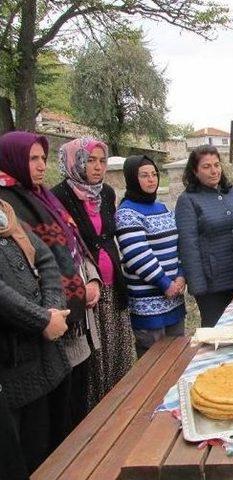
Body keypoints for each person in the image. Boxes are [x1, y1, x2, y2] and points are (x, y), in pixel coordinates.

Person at [0, 131, 101, 446]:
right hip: (37, 333)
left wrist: (91, 278)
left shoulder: (40, 195)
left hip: (67, 314)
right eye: (33, 158)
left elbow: (58, 251)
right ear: (13, 160)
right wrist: (47, 315)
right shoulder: (12, 200)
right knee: (49, 427)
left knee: (71, 408)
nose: (41, 165)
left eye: (42, 158)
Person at [52, 138, 135, 404]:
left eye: (102, 160)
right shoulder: (59, 196)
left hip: (114, 284)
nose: (98, 167)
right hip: (87, 288)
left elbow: (108, 236)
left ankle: (121, 402)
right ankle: (99, 411)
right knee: (96, 356)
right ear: (74, 162)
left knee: (118, 349)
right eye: (90, 160)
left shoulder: (106, 193)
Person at [0, 200, 70, 477]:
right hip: (10, 366)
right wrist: (41, 320)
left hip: (41, 364)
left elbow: (47, 260)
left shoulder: (7, 215)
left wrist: (51, 310)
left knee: (46, 450)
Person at [115, 155, 186, 357]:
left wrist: (181, 276)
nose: (151, 180)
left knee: (177, 358)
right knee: (152, 363)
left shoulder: (162, 208)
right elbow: (138, 255)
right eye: (144, 175)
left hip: (175, 300)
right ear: (132, 178)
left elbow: (177, 245)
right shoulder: (127, 213)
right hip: (149, 305)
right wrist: (166, 284)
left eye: (154, 174)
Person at [175, 145, 233, 327]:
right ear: (195, 171)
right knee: (217, 333)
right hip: (212, 284)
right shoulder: (188, 200)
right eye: (206, 167)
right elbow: (188, 246)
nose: (214, 171)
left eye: (217, 165)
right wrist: (199, 288)